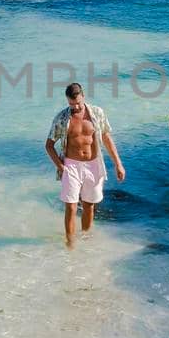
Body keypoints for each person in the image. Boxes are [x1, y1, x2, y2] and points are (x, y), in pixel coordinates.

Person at [44, 81, 125, 245]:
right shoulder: (62, 118)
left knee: (89, 205)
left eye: (78, 103)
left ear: (84, 96)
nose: (76, 107)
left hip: (94, 164)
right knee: (71, 206)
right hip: (71, 165)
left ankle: (86, 241)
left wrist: (118, 164)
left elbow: (106, 138)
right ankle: (70, 244)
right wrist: (60, 166)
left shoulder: (97, 113)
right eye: (72, 104)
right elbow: (49, 145)